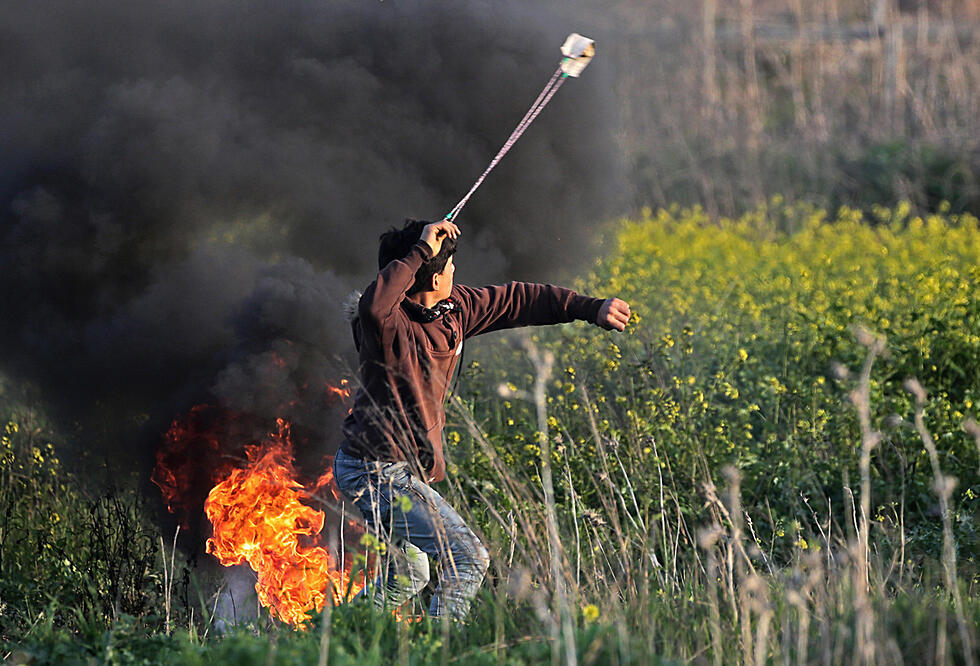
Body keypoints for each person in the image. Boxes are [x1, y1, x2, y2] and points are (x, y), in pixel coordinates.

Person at [332, 218, 630, 622]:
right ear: (433, 277)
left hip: (398, 470)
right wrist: (422, 248)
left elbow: (519, 299)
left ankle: (331, 635)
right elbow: (373, 303)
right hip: (375, 472)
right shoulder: (387, 325)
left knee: (407, 575)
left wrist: (590, 308)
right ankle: (440, 652)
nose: (456, 272)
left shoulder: (456, 309)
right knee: (468, 557)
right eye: (448, 266)